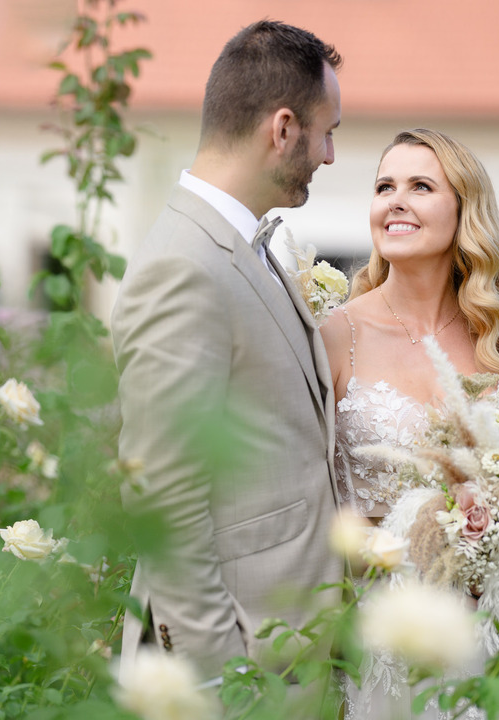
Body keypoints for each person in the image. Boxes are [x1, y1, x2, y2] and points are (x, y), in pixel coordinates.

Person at [112, 19, 345, 706]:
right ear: (282, 128)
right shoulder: (183, 268)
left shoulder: (240, 246)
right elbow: (163, 493)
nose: (330, 155)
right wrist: (218, 677)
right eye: (326, 131)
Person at [321, 128, 499, 719]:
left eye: (420, 186)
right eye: (385, 185)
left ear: (464, 210)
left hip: (498, 630)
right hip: (387, 630)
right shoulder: (336, 335)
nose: (395, 200)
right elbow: (303, 494)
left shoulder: (497, 337)